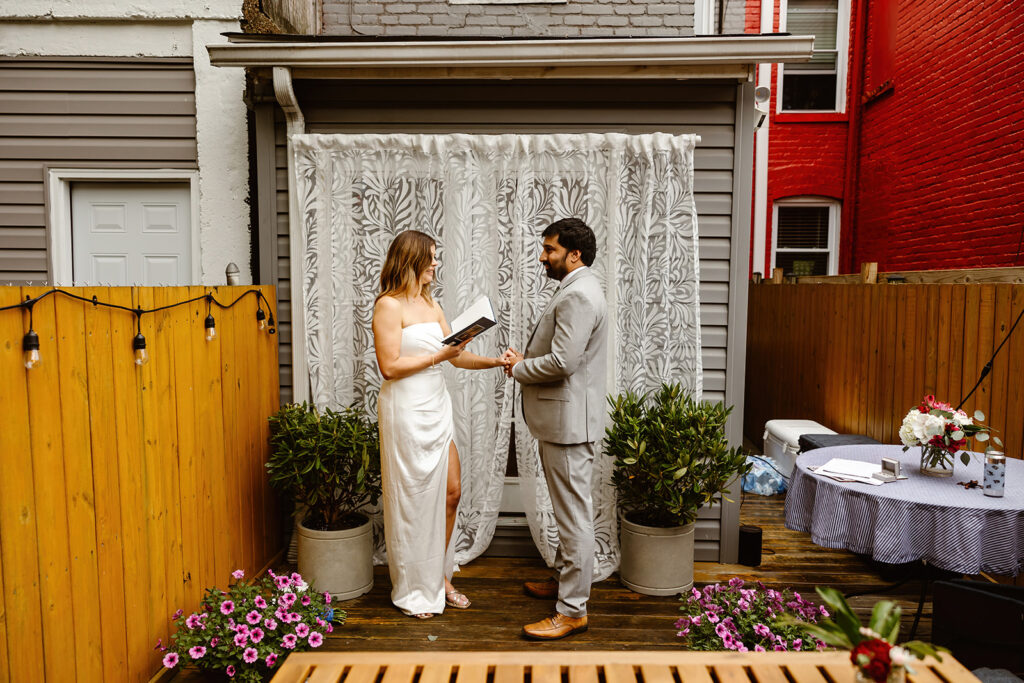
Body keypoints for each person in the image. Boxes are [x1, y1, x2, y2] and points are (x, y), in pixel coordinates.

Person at [372, 230, 506, 619]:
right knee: (413, 499)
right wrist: (439, 356)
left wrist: (495, 363)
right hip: (406, 410)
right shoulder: (389, 306)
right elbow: (390, 367)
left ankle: (439, 576)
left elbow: (455, 357)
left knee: (450, 492)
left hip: (436, 405)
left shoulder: (431, 304)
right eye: (430, 257)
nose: (435, 264)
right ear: (410, 259)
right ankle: (415, 587)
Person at [502, 217, 608, 641]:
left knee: (574, 519)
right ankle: (567, 582)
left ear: (574, 254)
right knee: (570, 514)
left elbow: (563, 362)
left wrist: (519, 368)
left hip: (568, 425)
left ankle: (572, 610)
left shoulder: (579, 295)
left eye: (550, 250)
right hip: (567, 421)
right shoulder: (579, 287)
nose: (543, 257)